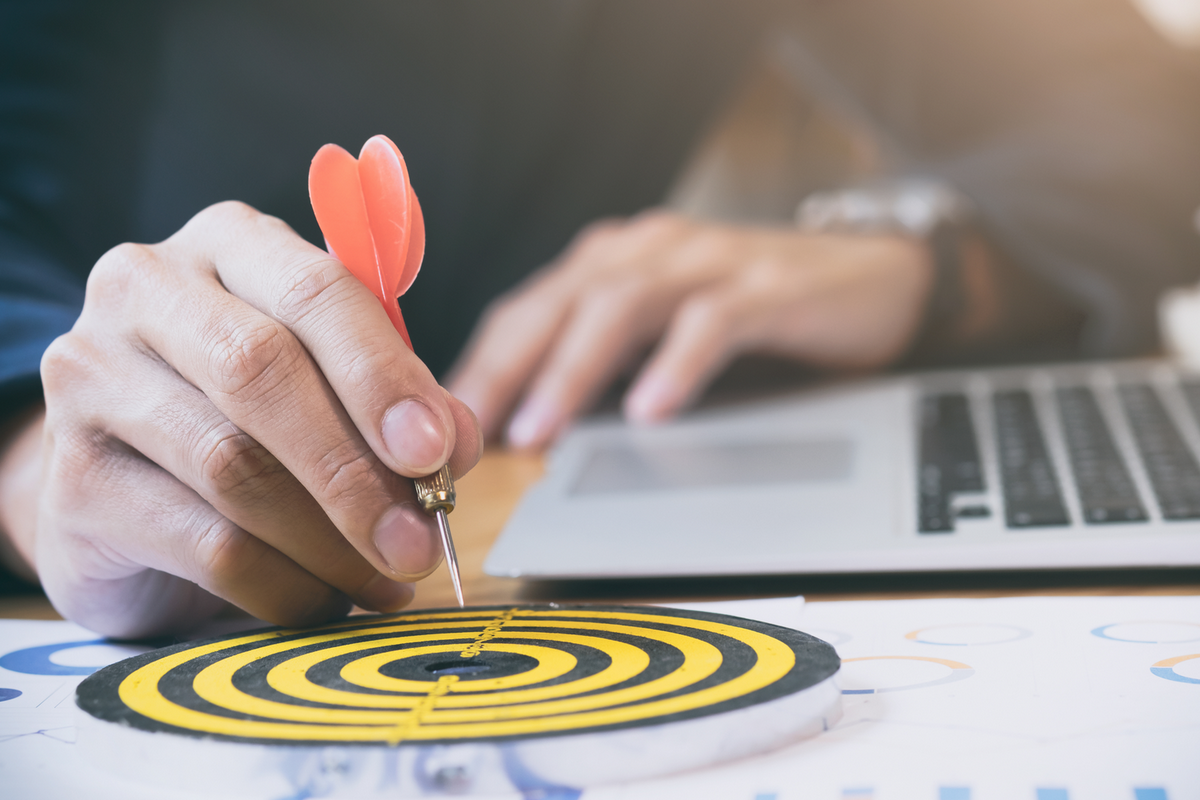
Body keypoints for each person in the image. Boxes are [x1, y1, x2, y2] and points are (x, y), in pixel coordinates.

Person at [2, 0, 1199, 637]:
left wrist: (923, 259)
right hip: (148, 552)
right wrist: (40, 453)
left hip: (531, 513)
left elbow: (1135, 117)